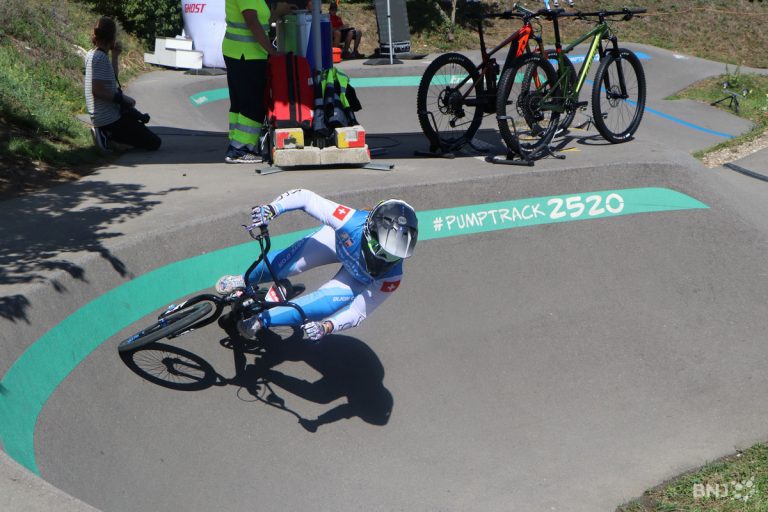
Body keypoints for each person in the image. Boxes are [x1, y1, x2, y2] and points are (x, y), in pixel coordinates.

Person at [216, 189, 418, 342]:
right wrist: (272, 209)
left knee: (321, 306)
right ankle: (242, 279)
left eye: (394, 257)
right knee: (281, 266)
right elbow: (306, 198)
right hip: (335, 244)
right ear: (369, 232)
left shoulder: (392, 277)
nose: (385, 261)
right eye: (382, 253)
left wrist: (328, 327)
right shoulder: (350, 221)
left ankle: (261, 320)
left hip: (355, 278)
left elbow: (358, 312)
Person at [84, 17, 161, 152]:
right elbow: (97, 91)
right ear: (112, 36)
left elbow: (111, 79)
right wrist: (123, 99)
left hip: (107, 115)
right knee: (154, 143)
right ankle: (106, 136)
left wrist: (115, 56)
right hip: (109, 119)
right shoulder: (100, 58)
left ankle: (111, 136)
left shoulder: (93, 55)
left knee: (139, 128)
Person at [222, 0, 279, 163]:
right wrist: (271, 50)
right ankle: (240, 149)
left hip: (241, 52)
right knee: (252, 103)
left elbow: (260, 21)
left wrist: (277, 13)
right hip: (246, 54)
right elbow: (252, 22)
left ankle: (236, 145)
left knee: (240, 104)